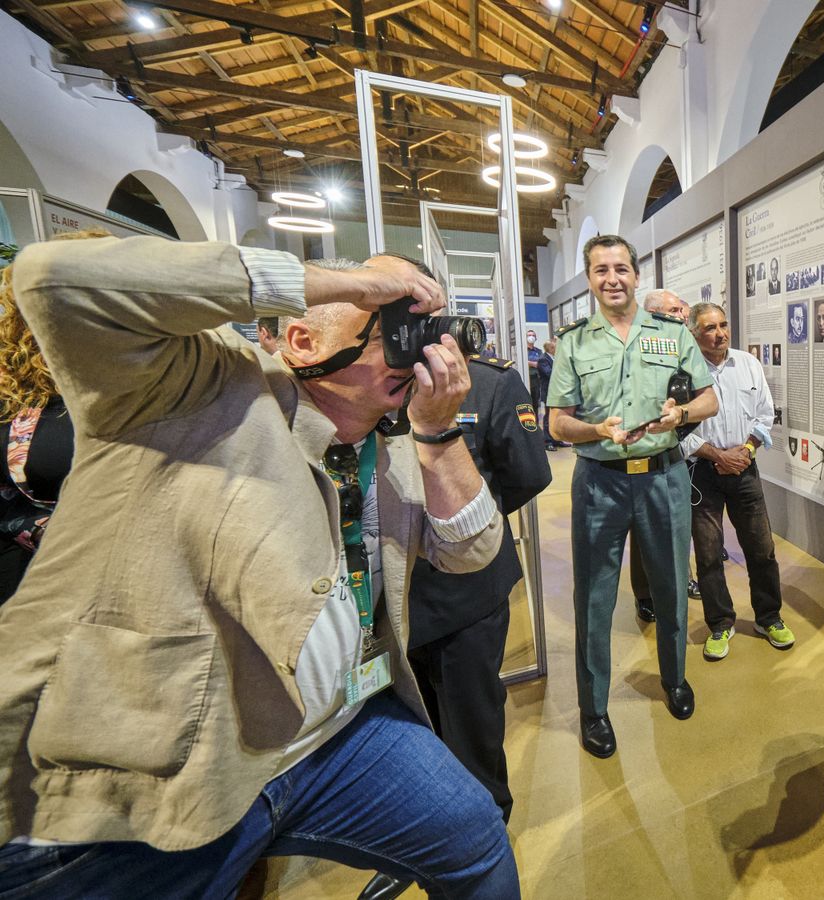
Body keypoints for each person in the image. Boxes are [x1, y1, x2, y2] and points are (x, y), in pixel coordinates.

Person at [0, 238, 516, 896]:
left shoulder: (387, 447)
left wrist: (439, 434)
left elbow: (470, 549)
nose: (425, 351)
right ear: (302, 341)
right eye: (395, 326)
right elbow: (53, 279)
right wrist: (352, 282)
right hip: (154, 778)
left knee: (475, 837)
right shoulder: (192, 385)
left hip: (332, 736)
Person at [358, 342, 553, 900]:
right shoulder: (362, 383)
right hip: (381, 602)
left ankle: (483, 843)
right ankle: (417, 846)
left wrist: (464, 522)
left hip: (465, 596)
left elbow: (527, 474)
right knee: (403, 736)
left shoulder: (487, 384)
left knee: (471, 728)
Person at [547, 235, 717, 760]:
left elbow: (709, 397)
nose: (612, 278)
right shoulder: (574, 343)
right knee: (595, 597)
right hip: (600, 482)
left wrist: (681, 415)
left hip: (663, 478)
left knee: (669, 585)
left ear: (637, 275)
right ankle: (593, 709)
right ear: (590, 280)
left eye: (621, 268)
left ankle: (675, 679)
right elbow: (556, 421)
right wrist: (597, 431)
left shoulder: (671, 332)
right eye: (601, 270)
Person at [680, 302, 793, 661]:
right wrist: (717, 455)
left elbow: (765, 412)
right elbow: (679, 430)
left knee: (761, 549)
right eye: (710, 328)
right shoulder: (684, 373)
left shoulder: (747, 364)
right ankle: (720, 623)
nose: (720, 333)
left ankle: (768, 617)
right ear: (695, 334)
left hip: (744, 466)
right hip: (703, 474)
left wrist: (746, 449)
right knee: (709, 553)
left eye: (724, 325)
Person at [0, 245, 78, 606]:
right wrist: (37, 528)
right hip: (49, 586)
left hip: (166, 586)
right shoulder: (15, 396)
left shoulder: (171, 383)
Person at [628, 288, 701, 623]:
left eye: (682, 311)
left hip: (682, 447)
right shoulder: (638, 350)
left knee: (678, 526)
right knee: (645, 533)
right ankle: (645, 594)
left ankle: (681, 579)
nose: (682, 316)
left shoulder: (686, 346)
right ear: (653, 313)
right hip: (648, 453)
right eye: (674, 311)